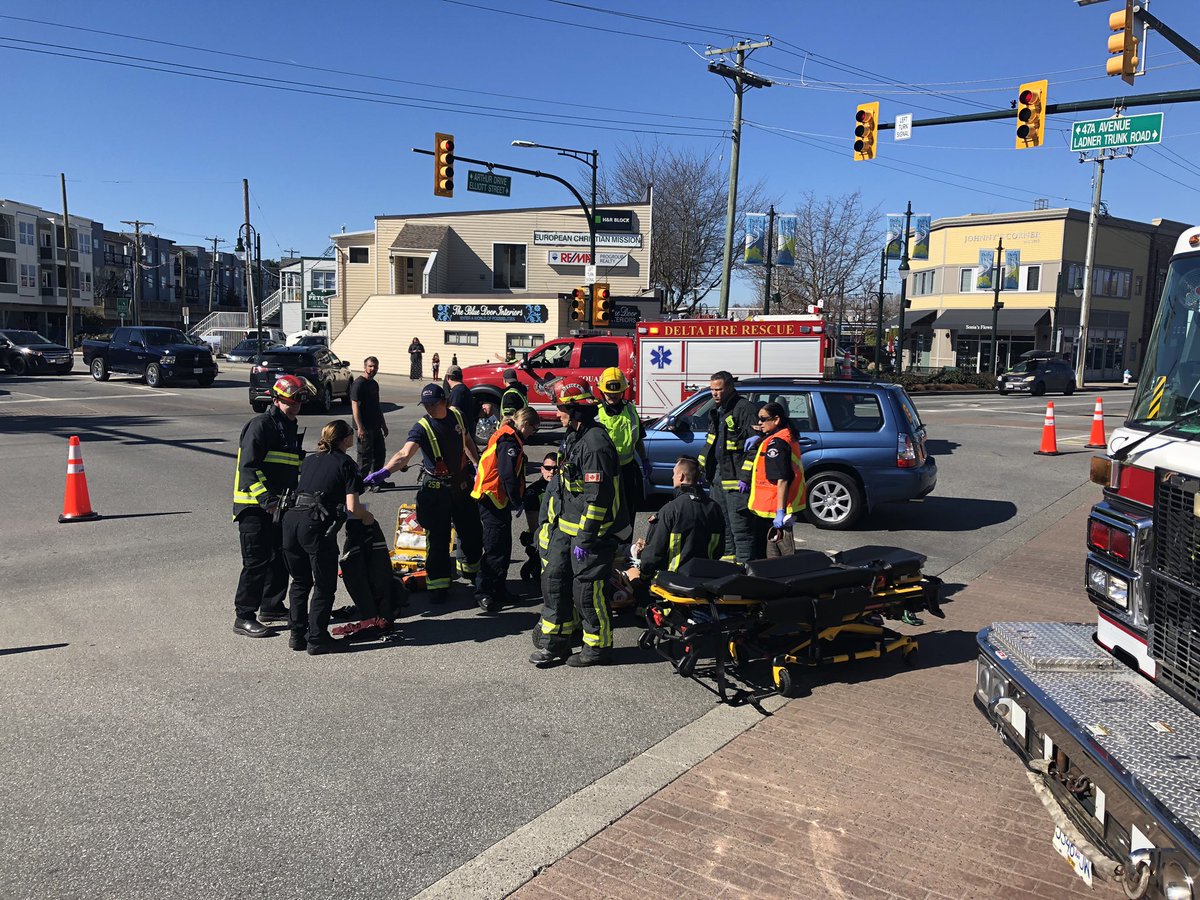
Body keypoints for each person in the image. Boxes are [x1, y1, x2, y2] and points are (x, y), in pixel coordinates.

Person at [530, 383, 623, 668]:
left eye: (561, 409)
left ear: (575, 411)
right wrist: (549, 525)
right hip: (565, 528)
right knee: (554, 581)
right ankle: (555, 643)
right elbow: (562, 487)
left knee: (587, 591)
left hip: (590, 534)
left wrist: (585, 537)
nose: (557, 414)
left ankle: (597, 648)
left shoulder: (595, 445)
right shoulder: (573, 437)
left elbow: (598, 499)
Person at [364, 383, 482, 605]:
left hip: (462, 484)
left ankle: (471, 571)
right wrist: (386, 471)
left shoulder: (457, 416)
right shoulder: (422, 427)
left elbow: (467, 440)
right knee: (437, 539)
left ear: (444, 401)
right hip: (436, 490)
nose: (428, 408)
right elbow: (404, 453)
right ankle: (437, 584)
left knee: (471, 530)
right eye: (425, 404)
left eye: (432, 404)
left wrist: (477, 465)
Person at [282, 420, 375, 655]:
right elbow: (353, 507)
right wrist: (368, 517)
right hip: (315, 525)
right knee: (324, 585)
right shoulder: (346, 463)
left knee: (300, 581)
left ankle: (297, 635)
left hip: (291, 520)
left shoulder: (311, 459)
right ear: (345, 440)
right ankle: (317, 639)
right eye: (351, 434)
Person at [231, 375, 313, 637]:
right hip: (254, 508)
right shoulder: (261, 425)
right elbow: (249, 469)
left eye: (299, 402)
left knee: (279, 558)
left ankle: (272, 606)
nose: (296, 406)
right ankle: (244, 616)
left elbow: (289, 468)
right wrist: (267, 501)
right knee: (256, 563)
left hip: (280, 507)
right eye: (291, 402)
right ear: (276, 400)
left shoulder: (288, 427)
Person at [471, 407, 539, 612]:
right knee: (494, 546)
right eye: (533, 430)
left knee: (503, 545)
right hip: (491, 498)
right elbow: (507, 475)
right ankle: (483, 592)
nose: (532, 435)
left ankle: (499, 588)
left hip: (497, 499)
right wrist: (517, 500)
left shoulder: (510, 436)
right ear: (525, 424)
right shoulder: (508, 441)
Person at [627, 456, 725, 586]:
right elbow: (720, 549)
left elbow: (654, 553)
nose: (672, 477)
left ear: (682, 477)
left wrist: (644, 576)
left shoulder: (671, 510)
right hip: (708, 580)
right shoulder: (714, 508)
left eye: (674, 474)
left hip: (675, 582)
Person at [698, 371, 760, 565]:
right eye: (712, 390)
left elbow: (754, 448)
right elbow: (711, 443)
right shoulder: (717, 411)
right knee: (722, 524)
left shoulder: (745, 409)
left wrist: (745, 477)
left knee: (740, 527)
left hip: (736, 478)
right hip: (718, 476)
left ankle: (744, 566)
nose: (715, 394)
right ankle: (728, 561)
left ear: (731, 387)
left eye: (719, 389)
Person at [596, 366, 649, 554]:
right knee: (605, 515)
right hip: (605, 473)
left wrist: (644, 460)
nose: (614, 397)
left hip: (627, 471)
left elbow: (638, 438)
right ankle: (604, 551)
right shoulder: (596, 413)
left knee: (627, 515)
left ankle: (626, 552)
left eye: (618, 393)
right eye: (610, 394)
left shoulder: (630, 409)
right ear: (602, 391)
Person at [744, 401, 806, 562]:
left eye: (763, 419)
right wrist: (759, 437)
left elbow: (782, 479)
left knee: (770, 555)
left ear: (777, 420)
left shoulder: (777, 444)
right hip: (779, 504)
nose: (759, 423)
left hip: (772, 507)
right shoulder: (786, 435)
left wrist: (780, 512)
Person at [350, 356, 388, 489]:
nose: (373, 369)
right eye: (370, 366)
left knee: (379, 454)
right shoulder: (358, 384)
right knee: (365, 458)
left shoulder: (374, 384)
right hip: (364, 427)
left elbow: (377, 405)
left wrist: (383, 424)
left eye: (375, 366)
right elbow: (354, 406)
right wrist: (359, 427)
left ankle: (377, 481)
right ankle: (360, 484)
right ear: (365, 367)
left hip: (376, 425)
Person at [519, 451, 557, 580]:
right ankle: (535, 563)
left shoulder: (565, 488)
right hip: (541, 533)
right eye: (548, 468)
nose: (551, 472)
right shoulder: (533, 492)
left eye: (555, 468)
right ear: (542, 469)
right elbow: (534, 524)